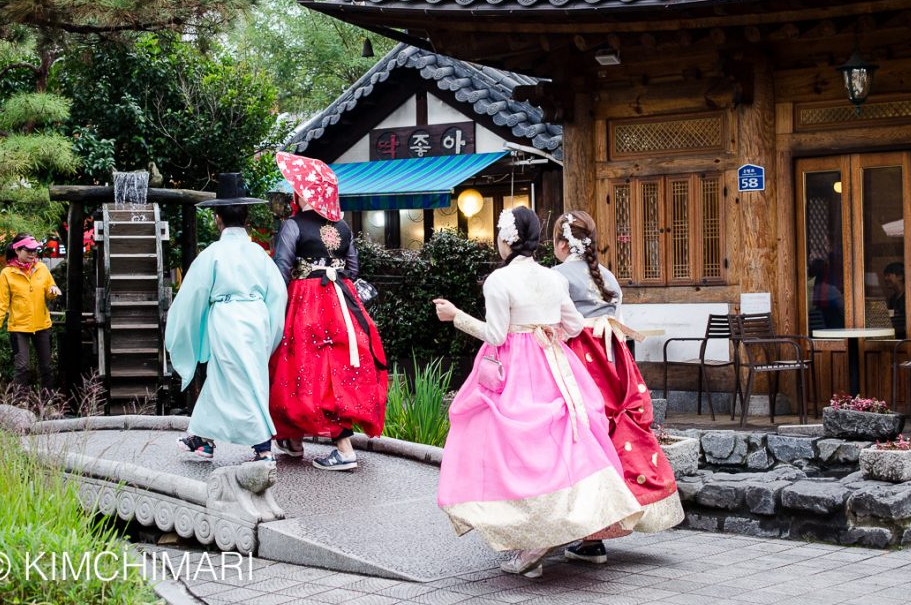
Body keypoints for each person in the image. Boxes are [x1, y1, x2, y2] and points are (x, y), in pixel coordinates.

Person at [432, 206, 643, 579]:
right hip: (555, 365)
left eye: (499, 235)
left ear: (509, 240)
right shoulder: (552, 278)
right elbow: (575, 325)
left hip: (515, 369)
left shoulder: (498, 281)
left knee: (509, 450)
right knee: (555, 447)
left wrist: (456, 317)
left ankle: (528, 543)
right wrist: (545, 334)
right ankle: (551, 530)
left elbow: (496, 335)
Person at [551, 211, 683, 565]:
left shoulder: (557, 277)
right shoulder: (607, 276)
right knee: (615, 435)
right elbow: (619, 322)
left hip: (580, 360)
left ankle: (581, 531)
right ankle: (602, 531)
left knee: (580, 440)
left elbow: (554, 324)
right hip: (615, 360)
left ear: (562, 244)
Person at [268, 152, 388, 471]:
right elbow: (353, 267)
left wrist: (275, 305)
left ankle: (338, 448)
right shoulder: (343, 227)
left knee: (297, 366)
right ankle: (293, 440)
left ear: (301, 193)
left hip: (305, 304)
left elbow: (281, 267)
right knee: (336, 367)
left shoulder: (293, 226)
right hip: (342, 303)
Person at [166, 173, 287, 463]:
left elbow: (192, 296)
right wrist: (271, 329)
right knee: (231, 377)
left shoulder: (213, 254)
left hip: (228, 319)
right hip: (257, 318)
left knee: (238, 378)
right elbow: (278, 294)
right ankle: (202, 439)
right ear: (245, 217)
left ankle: (262, 446)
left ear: (217, 218)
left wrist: (184, 328)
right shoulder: (259, 253)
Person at [0, 234, 61, 389]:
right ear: (17, 250)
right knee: (22, 367)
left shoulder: (41, 268)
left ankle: (47, 404)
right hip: (19, 327)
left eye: (34, 250)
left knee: (47, 367)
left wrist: (53, 291)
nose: (32, 253)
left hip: (42, 325)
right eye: (28, 250)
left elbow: (49, 291)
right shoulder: (7, 274)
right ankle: (19, 405)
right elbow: (2, 304)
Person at [883, 261, 906, 339]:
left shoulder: (908, 298)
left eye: (888, 275)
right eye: (885, 276)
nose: (885, 278)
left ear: (900, 276)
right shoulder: (892, 299)